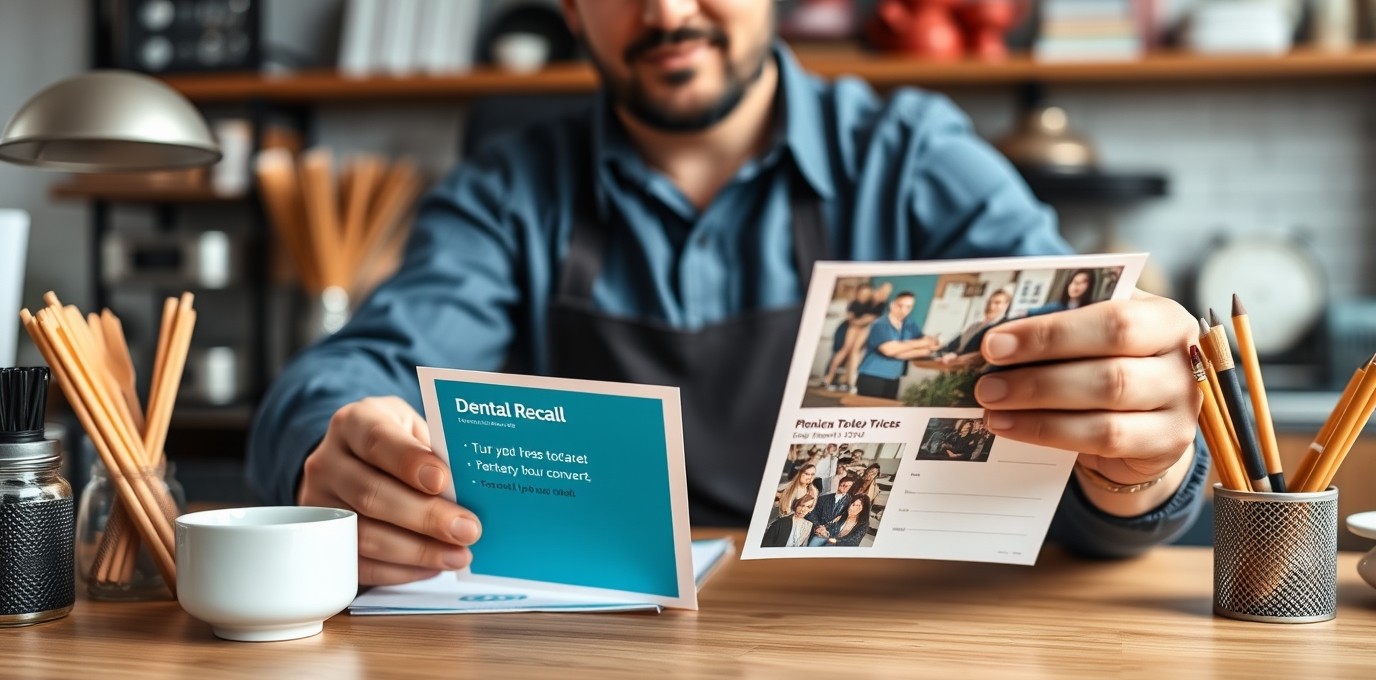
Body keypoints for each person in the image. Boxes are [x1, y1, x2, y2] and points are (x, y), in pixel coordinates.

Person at [249, 0, 1208, 587]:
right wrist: (332, 453)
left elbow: (1097, 416)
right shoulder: (509, 193)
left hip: (887, 645)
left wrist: (1137, 463)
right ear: (571, 10)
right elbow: (350, 371)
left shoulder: (916, 159)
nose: (668, 10)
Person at [853, 292, 941, 400]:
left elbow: (921, 343)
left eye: (908, 307)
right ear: (892, 304)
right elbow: (889, 350)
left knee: (888, 415)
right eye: (900, 306)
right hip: (872, 377)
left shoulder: (909, 324)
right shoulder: (880, 324)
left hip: (894, 378)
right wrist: (923, 345)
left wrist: (927, 346)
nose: (903, 310)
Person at [939, 287, 1012, 367]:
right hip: (950, 362)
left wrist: (957, 357)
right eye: (989, 302)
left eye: (997, 303)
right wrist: (945, 353)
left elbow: (987, 353)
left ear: (1006, 305)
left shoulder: (1003, 327)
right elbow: (955, 344)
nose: (991, 306)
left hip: (970, 367)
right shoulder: (974, 326)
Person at [1025, 269, 1097, 317]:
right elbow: (1030, 312)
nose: (1076, 284)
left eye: (1083, 281)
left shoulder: (1091, 311)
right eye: (1074, 281)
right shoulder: (1056, 307)